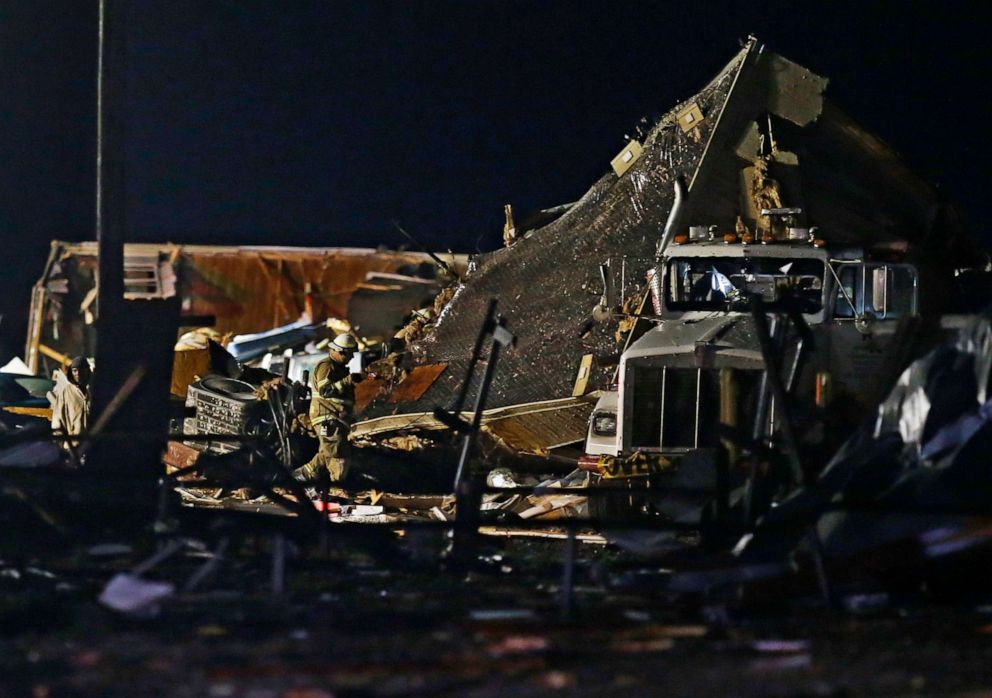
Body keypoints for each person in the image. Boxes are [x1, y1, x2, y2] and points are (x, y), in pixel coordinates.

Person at [294, 333, 359, 484]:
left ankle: (299, 478)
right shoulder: (326, 366)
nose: (352, 358)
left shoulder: (339, 368)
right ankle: (338, 487)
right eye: (350, 354)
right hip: (328, 418)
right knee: (337, 455)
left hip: (336, 418)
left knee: (328, 452)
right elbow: (326, 391)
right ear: (340, 351)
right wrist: (349, 380)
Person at [48, 356, 91, 450]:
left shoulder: (93, 391)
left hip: (91, 448)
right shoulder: (65, 392)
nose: (78, 373)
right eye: (75, 370)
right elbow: (58, 421)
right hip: (72, 448)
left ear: (87, 370)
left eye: (81, 370)